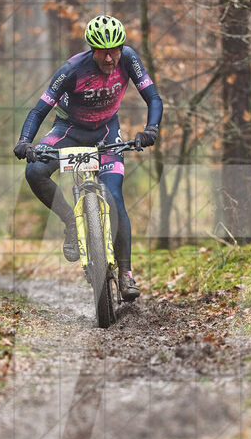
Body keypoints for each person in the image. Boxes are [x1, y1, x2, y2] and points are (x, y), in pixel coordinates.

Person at [14, 15, 163, 301]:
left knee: (115, 198)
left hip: (107, 133)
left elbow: (153, 98)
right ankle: (71, 222)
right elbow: (38, 111)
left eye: (115, 50)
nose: (110, 58)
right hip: (69, 132)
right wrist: (24, 141)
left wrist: (151, 129)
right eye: (103, 52)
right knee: (34, 172)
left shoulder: (128, 59)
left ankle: (126, 274)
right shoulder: (72, 69)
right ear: (91, 49)